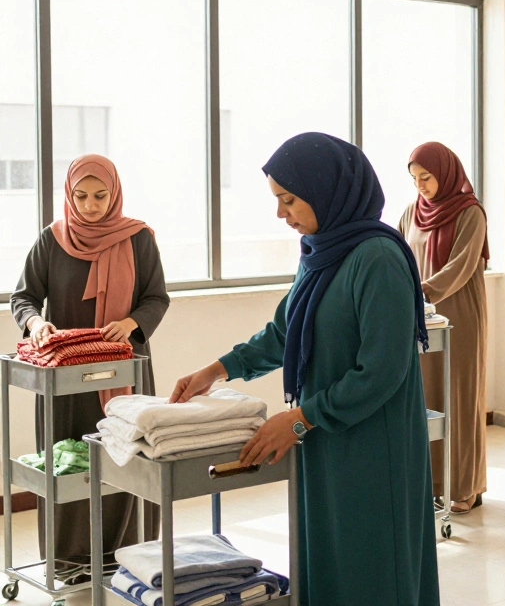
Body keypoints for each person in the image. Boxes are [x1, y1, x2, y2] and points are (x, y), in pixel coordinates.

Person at [170, 133, 440, 606]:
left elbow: (381, 370)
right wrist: (216, 370)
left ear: (327, 190)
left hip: (375, 447)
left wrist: (296, 420)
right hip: (327, 437)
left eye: (289, 199)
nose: (282, 214)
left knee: (375, 563)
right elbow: (286, 330)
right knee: (329, 556)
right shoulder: (322, 252)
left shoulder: (378, 259)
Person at [10, 155, 167, 571]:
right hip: (65, 376)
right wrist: (36, 321)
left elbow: (157, 298)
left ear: (114, 193)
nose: (90, 206)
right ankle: (67, 559)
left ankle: (130, 555)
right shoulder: (52, 239)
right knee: (68, 457)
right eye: (80, 196)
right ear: (68, 194)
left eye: (100, 196)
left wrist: (132, 321)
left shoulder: (138, 239)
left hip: (123, 370)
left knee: (127, 456)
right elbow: (22, 297)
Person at [399, 141, 489, 514]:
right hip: (420, 318)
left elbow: (463, 264)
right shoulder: (410, 213)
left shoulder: (470, 213)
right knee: (426, 399)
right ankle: (434, 484)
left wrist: (422, 289)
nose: (421, 185)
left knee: (459, 397)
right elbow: (397, 252)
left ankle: (466, 487)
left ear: (446, 173)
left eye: (427, 177)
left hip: (459, 315)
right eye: (415, 178)